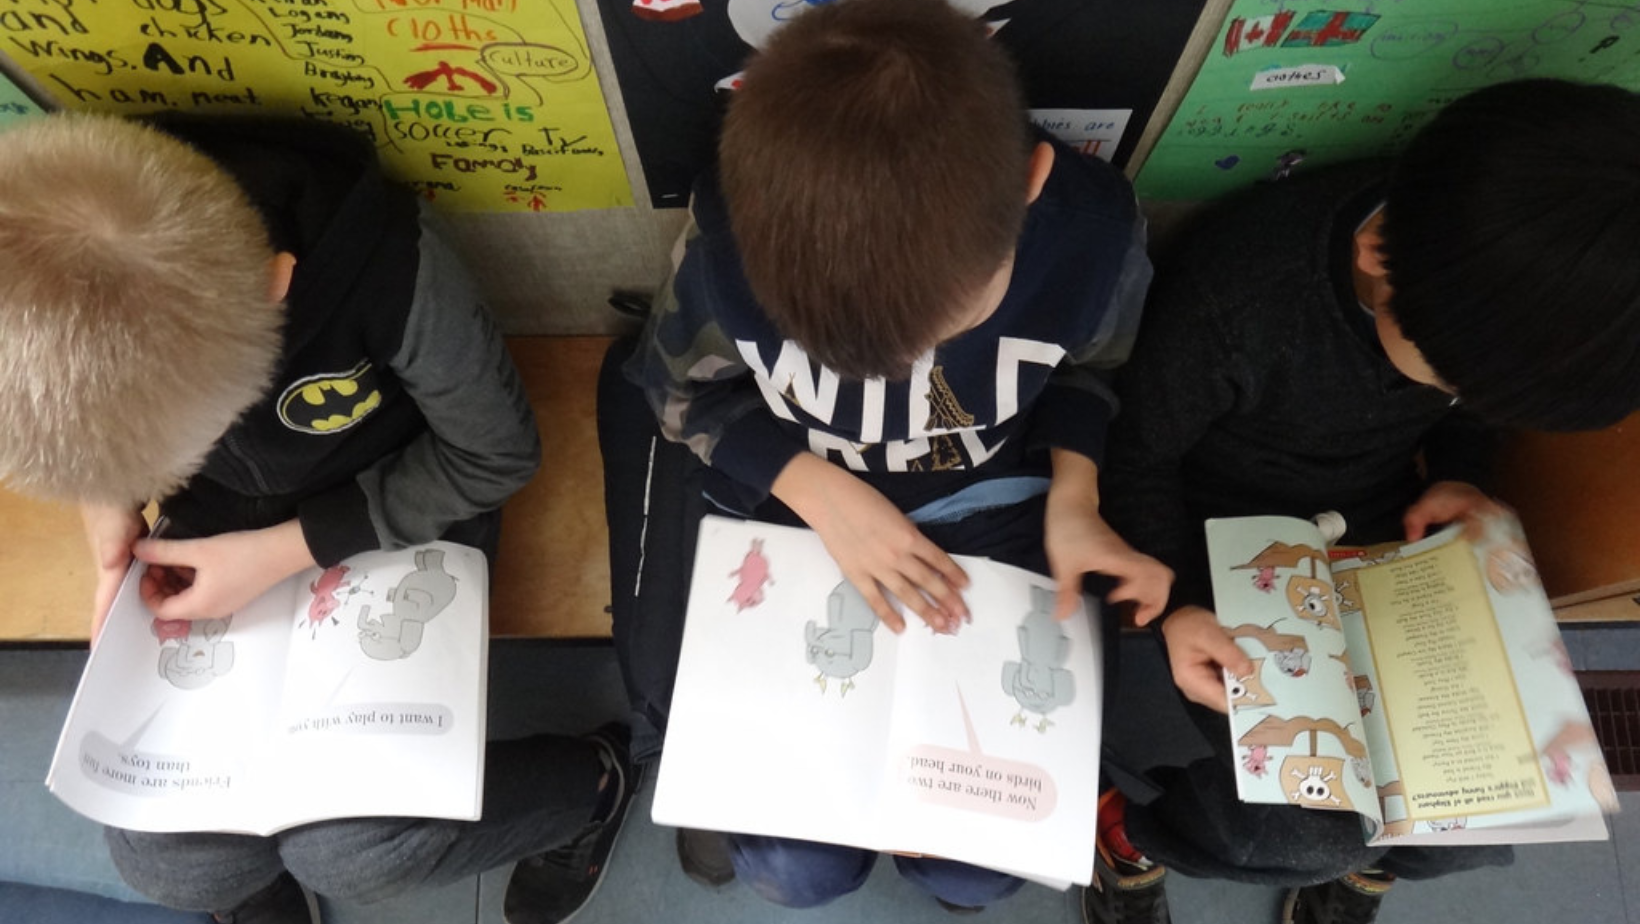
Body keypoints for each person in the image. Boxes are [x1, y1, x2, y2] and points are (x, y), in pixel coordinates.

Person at [601, 0, 1171, 912]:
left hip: (1001, 505)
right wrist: (821, 493)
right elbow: (680, 393)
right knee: (795, 867)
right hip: (799, 510)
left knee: (975, 860)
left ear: (1032, 181)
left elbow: (1095, 368)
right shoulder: (726, 248)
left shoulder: (1093, 237)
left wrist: (1076, 492)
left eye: (949, 322)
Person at [0, 112, 632, 924]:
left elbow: (494, 455)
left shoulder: (385, 264)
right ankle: (243, 880)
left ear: (277, 285)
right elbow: (93, 427)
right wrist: (108, 515)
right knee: (165, 859)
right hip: (226, 527)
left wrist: (285, 551)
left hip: (404, 504)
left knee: (356, 851)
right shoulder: (57, 269)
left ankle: (591, 786)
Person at [1096, 78, 1640, 924]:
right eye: (1456, 382)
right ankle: (1133, 834)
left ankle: (1380, 854)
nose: (1462, 397)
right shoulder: (1244, 299)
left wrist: (1462, 472)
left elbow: (1471, 405)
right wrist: (1177, 607)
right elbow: (1136, 455)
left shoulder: (1486, 300)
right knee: (1302, 832)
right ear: (1377, 253)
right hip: (1205, 541)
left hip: (1378, 526)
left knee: (1480, 816)